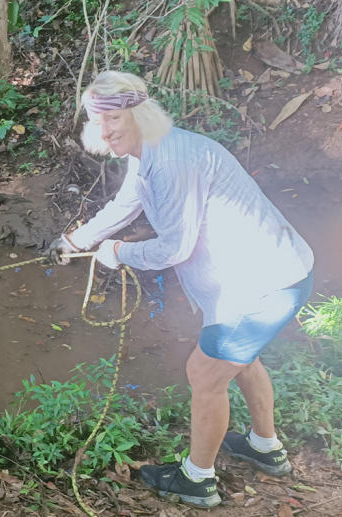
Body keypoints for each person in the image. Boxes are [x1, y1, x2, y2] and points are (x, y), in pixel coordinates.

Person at [46, 71, 314, 509]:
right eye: (100, 122)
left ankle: (197, 480)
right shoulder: (150, 152)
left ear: (140, 113)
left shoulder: (171, 160)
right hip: (274, 275)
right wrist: (77, 241)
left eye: (116, 118)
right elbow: (127, 202)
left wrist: (117, 253)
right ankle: (265, 447)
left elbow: (174, 247)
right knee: (241, 362)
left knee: (204, 374)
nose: (108, 130)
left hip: (261, 285)